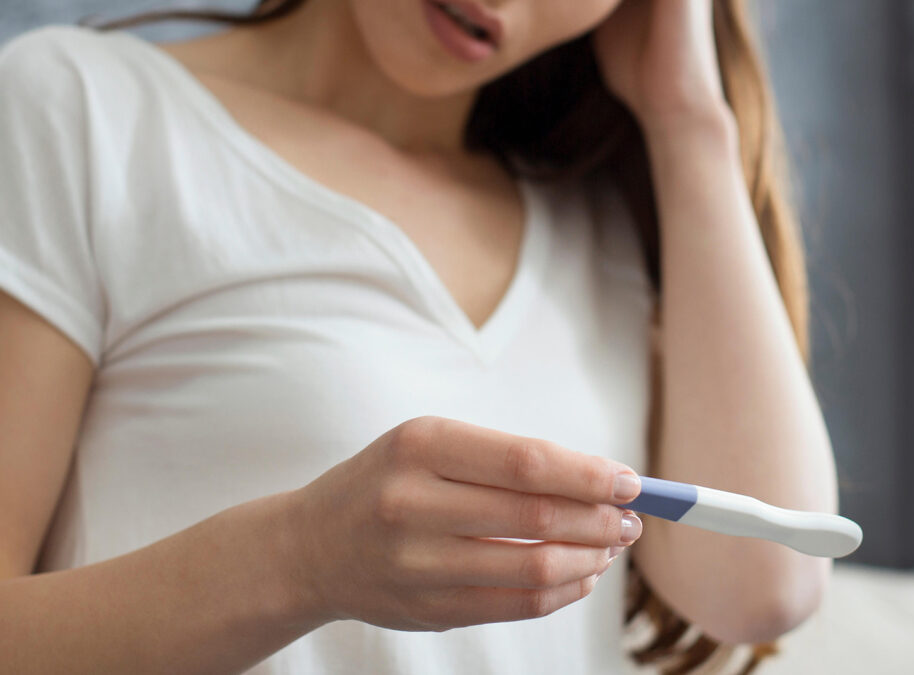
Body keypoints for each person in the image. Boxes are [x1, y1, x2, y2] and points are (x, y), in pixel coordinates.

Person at [0, 0, 840, 672]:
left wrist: (688, 119)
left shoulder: (600, 227)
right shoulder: (78, 109)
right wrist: (302, 559)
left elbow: (764, 583)